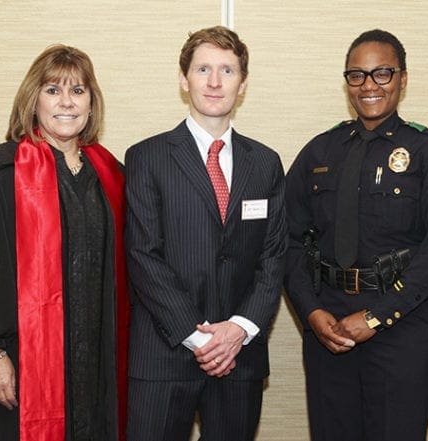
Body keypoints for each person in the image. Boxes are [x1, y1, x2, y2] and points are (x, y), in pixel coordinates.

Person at [0, 44, 129, 441]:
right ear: (32, 99)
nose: (66, 102)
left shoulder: (113, 175)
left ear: (92, 103)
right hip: (25, 361)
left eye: (78, 91)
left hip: (98, 362)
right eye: (53, 90)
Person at [284, 29, 428, 441]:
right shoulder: (319, 151)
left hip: (404, 327)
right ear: (347, 82)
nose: (369, 85)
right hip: (328, 327)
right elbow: (288, 239)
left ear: (403, 78)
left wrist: (376, 316)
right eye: (357, 75)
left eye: (382, 73)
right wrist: (311, 311)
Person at [124, 26, 287, 441]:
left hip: (240, 357)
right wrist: (199, 339)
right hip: (163, 356)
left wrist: (238, 329)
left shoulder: (266, 163)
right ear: (184, 79)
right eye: (203, 69)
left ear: (243, 83)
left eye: (227, 71)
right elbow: (143, 255)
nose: (215, 82)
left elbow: (273, 259)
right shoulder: (147, 157)